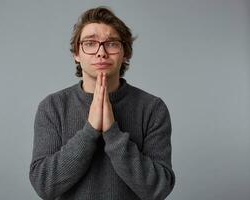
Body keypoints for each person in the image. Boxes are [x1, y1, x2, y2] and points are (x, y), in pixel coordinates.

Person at [29, 6, 175, 200]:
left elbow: (158, 189)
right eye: (90, 43)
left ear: (126, 53)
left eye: (112, 43)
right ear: (77, 54)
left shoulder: (152, 108)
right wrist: (90, 130)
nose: (101, 52)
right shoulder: (52, 107)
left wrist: (112, 132)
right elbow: (44, 185)